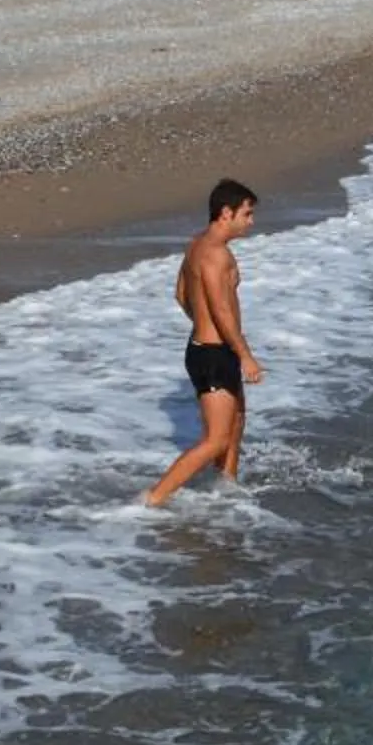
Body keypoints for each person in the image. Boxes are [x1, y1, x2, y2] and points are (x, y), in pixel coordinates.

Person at [144, 178, 266, 506]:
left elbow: (181, 294)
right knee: (216, 439)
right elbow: (222, 310)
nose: (251, 221)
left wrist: (203, 326)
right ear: (226, 213)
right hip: (214, 354)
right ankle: (151, 500)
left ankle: (226, 490)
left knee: (236, 421)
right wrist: (246, 356)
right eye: (247, 213)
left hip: (208, 349)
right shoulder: (216, 255)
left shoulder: (196, 244)